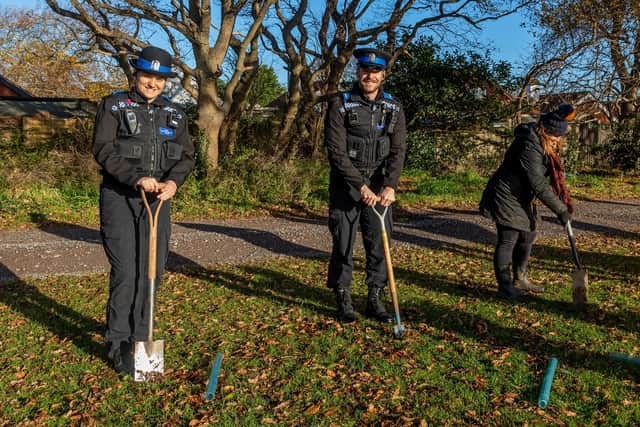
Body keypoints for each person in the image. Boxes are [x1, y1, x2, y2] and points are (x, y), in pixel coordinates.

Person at [92, 46, 195, 373]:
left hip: (158, 202)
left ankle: (141, 336)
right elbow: (104, 149)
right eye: (147, 75)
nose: (153, 83)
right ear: (135, 74)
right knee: (126, 271)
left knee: (152, 271)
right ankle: (118, 341)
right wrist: (137, 178)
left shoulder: (176, 115)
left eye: (160, 78)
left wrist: (173, 183)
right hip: (121, 199)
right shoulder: (114, 106)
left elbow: (186, 157)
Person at [324, 47, 407, 323]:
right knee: (343, 243)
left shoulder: (394, 107)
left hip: (379, 184)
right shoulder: (340, 104)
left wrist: (390, 185)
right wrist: (360, 187)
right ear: (357, 72)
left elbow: (398, 150)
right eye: (364, 71)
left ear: (383, 75)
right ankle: (343, 296)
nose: (368, 76)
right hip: (347, 185)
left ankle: (375, 298)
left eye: (374, 72)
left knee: (378, 245)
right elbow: (336, 152)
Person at [479, 104, 576, 299]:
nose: (558, 139)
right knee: (508, 239)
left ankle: (520, 279)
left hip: (521, 195)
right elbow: (538, 183)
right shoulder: (529, 146)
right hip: (506, 195)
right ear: (545, 131)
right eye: (556, 135)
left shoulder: (540, 143)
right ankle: (505, 288)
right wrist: (560, 210)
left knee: (528, 235)